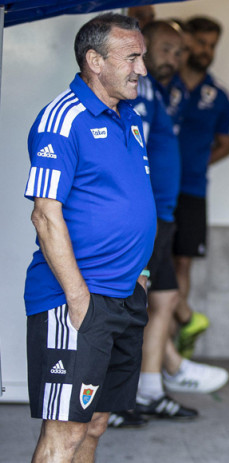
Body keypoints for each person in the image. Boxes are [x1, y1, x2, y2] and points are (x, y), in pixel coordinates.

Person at [23, 13, 156, 461]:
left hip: (124, 296)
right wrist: (79, 300)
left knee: (95, 424)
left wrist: (139, 272)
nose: (142, 68)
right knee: (66, 433)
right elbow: (45, 216)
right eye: (132, 57)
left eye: (143, 57)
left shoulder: (131, 119)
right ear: (95, 61)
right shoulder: (63, 119)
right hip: (78, 300)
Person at [108, 20, 229, 429]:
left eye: (178, 52)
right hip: (143, 217)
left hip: (163, 213)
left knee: (161, 301)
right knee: (132, 304)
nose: (171, 59)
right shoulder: (136, 90)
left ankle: (151, 390)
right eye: (164, 49)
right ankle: (116, 400)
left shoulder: (156, 91)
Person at [173, 15, 229, 359]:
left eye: (211, 45)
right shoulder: (162, 83)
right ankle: (179, 320)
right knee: (156, 262)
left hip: (193, 189)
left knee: (182, 263)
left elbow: (226, 144)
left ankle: (175, 338)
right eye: (200, 43)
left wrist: (195, 164)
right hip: (156, 190)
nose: (205, 51)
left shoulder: (220, 96)